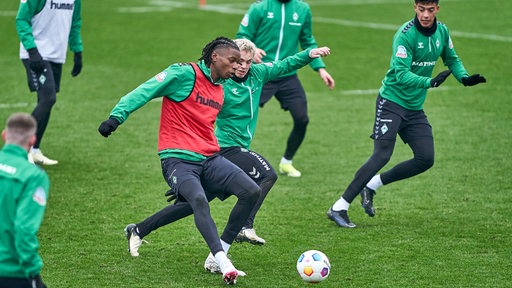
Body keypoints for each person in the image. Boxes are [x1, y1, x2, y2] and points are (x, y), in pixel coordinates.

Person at [115, 39, 331, 275]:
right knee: (267, 175)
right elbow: (195, 109)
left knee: (194, 203)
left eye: (247, 62)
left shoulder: (257, 75)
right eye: (237, 61)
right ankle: (240, 231)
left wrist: (310, 54)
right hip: (224, 148)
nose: (242, 67)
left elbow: (284, 65)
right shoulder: (220, 84)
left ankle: (139, 229)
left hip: (215, 154)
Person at [98, 37, 260, 285]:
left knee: (251, 191)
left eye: (241, 61)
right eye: (233, 60)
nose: (237, 66)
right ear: (215, 57)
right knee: (197, 199)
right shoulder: (183, 74)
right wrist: (116, 117)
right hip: (177, 159)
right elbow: (144, 91)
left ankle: (139, 230)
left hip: (209, 157)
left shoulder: (219, 88)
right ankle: (223, 262)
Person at [327, 0, 486, 228]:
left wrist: (464, 78)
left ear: (437, 9)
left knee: (425, 158)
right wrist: (429, 81)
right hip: (391, 101)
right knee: (382, 154)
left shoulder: (442, 31)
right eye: (421, 9)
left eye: (430, 10)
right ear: (415, 8)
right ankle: (338, 207)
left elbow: (451, 58)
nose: (425, 15)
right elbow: (401, 74)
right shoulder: (405, 35)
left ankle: (372, 185)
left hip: (414, 108)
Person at [236, 0, 335, 178]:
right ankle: (234, 157)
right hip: (260, 74)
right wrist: (254, 49)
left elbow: (307, 40)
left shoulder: (302, 9)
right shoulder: (260, 7)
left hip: (287, 76)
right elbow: (243, 35)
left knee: (302, 118)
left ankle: (286, 162)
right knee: (241, 116)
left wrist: (320, 69)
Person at [16, 0, 83, 165]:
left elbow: (75, 22)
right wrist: (32, 50)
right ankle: (18, 148)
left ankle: (35, 150)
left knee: (45, 101)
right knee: (48, 98)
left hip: (56, 55)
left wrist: (77, 50)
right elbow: (21, 19)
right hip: (37, 53)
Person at [0, 113, 50, 288]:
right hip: (11, 271)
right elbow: (24, 228)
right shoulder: (33, 177)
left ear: (4, 135)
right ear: (32, 140)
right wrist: (32, 271)